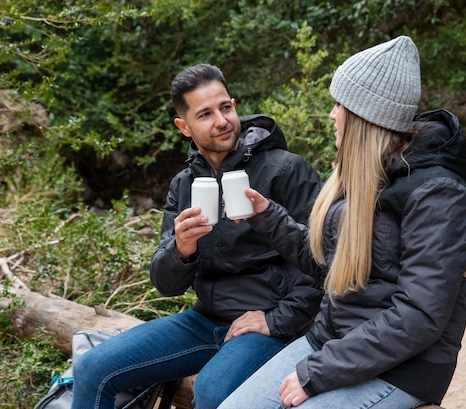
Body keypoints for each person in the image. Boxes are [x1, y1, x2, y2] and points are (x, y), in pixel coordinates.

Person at [217, 35, 466, 409]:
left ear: (363, 116)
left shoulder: (439, 194)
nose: (331, 114)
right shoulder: (364, 174)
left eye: (339, 104)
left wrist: (318, 372)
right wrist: (266, 216)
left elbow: (419, 315)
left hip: (402, 367)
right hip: (333, 342)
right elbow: (328, 266)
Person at [70, 63, 324, 409]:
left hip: (268, 323)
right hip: (205, 320)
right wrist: (181, 250)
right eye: (205, 114)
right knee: (92, 366)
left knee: (212, 392)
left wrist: (275, 319)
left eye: (226, 107)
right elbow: (166, 284)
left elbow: (325, 262)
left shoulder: (287, 170)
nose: (221, 121)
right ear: (184, 127)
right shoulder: (184, 185)